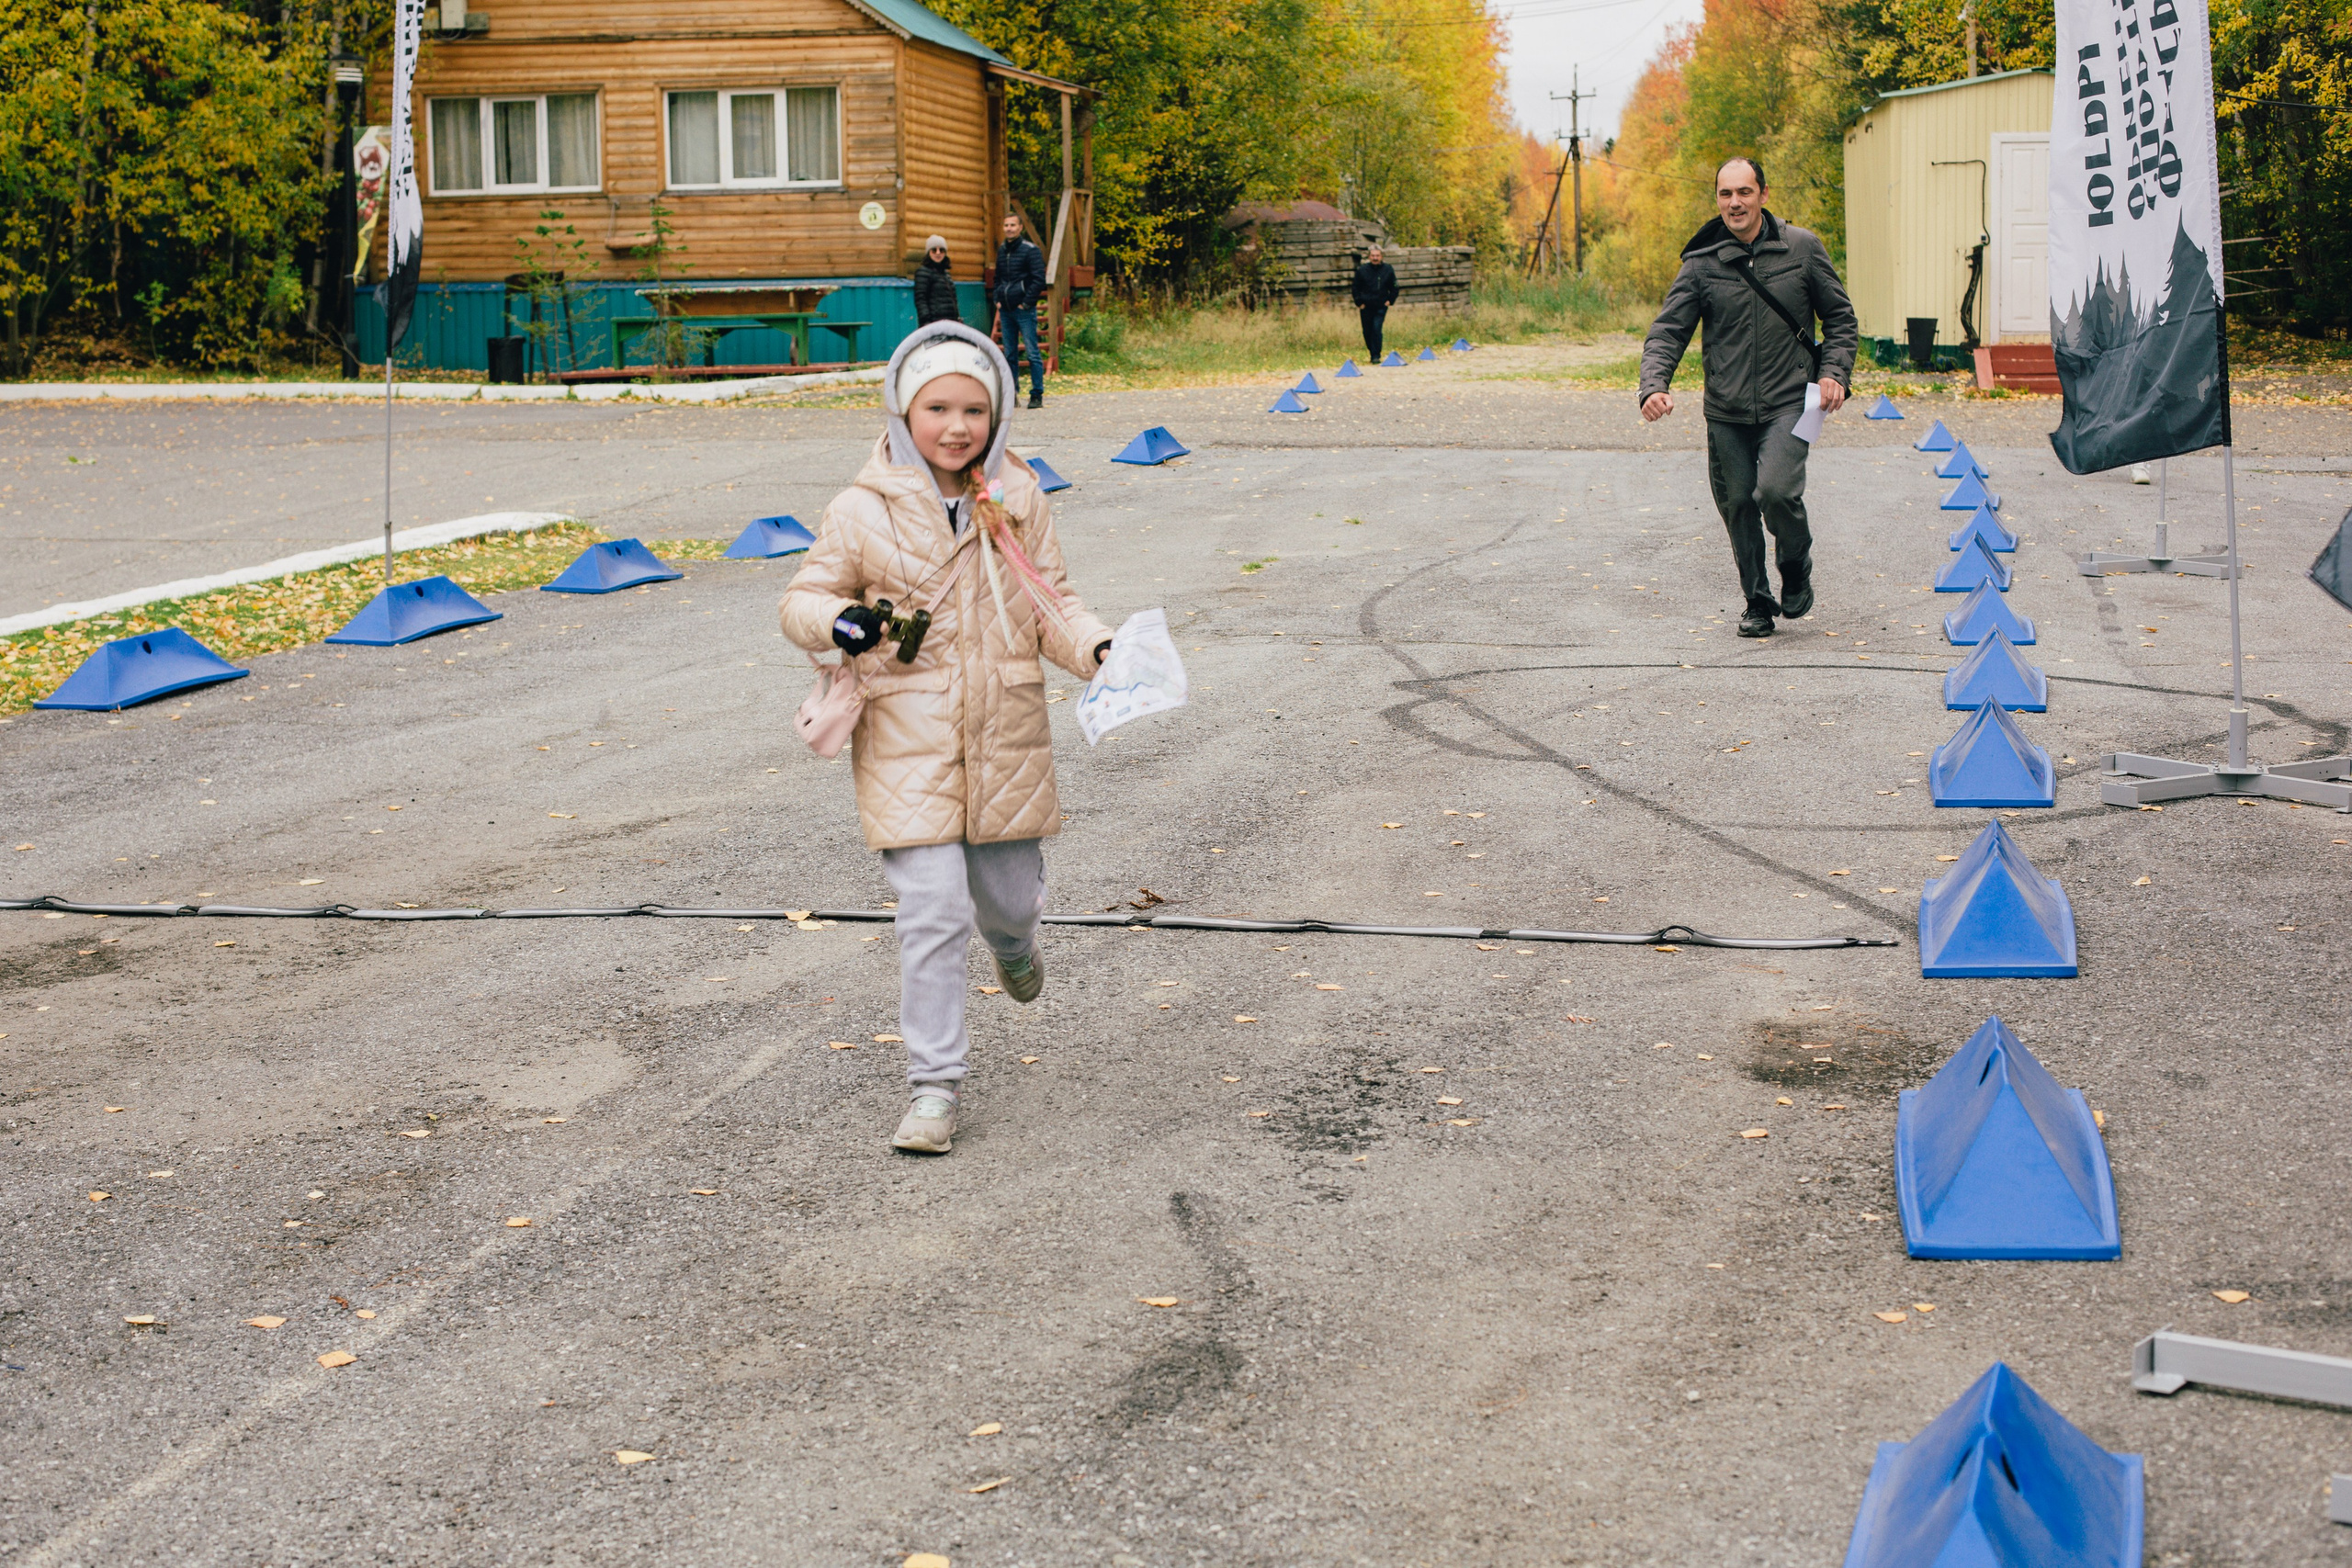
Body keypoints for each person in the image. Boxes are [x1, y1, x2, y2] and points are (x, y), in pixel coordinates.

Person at [779, 321, 1114, 1156]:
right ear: (903, 409)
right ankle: (934, 1088)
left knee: (1001, 902)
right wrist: (840, 618)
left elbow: (1052, 605)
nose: (956, 426)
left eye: (974, 408)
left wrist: (1098, 650)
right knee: (930, 907)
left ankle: (1014, 941)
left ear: (996, 415)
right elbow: (801, 600)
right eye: (938, 407)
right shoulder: (860, 509)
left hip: (1005, 729)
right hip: (904, 733)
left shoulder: (1019, 499)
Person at [1640, 157, 1857, 638]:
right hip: (1727, 408)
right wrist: (1654, 384)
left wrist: (1834, 373)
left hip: (1793, 400)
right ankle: (1757, 602)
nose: (1734, 203)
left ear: (1762, 194)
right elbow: (1668, 331)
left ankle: (1796, 565)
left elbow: (1840, 318)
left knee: (1777, 492)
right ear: (1717, 199)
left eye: (1744, 192)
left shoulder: (1802, 248)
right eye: (1725, 194)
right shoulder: (1701, 263)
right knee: (1738, 504)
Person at [991, 214, 1047, 409]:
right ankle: (1012, 393)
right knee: (1009, 355)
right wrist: (997, 299)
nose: (1009, 228)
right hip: (1006, 311)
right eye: (1006, 225)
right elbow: (998, 277)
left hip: (1024, 310)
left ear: (1020, 227)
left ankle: (1036, 394)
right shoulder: (1002, 250)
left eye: (1012, 225)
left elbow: (1038, 279)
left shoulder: (1030, 250)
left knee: (1032, 353)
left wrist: (1026, 303)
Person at [1351, 243, 1398, 361]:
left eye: (1377, 255)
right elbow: (1355, 288)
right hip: (1366, 306)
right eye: (1373, 256)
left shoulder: (1388, 269)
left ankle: (1376, 355)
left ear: (1381, 256)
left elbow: (1395, 287)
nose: (1375, 258)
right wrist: (1359, 302)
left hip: (1381, 305)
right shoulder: (1362, 270)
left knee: (1377, 328)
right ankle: (1372, 351)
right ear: (1369, 257)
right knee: (1367, 331)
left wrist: (1390, 300)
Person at [913, 235, 960, 328]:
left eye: (941, 250)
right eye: (934, 250)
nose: (938, 253)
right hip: (934, 325)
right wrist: (926, 322)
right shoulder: (923, 272)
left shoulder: (946, 274)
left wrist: (957, 318)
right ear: (928, 253)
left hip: (950, 323)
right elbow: (920, 300)